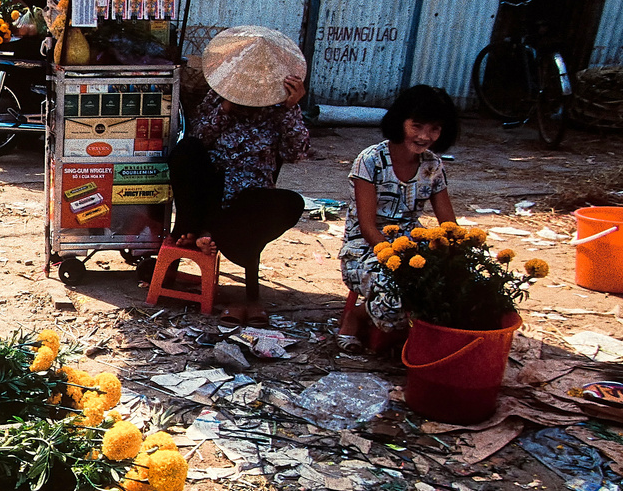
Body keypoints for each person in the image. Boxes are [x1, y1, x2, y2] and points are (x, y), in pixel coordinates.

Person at [169, 26, 311, 322]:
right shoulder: (218, 97)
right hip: (211, 190)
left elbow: (297, 152)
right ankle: (196, 229)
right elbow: (199, 137)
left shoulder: (280, 108)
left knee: (291, 202)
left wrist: (291, 108)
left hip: (250, 199)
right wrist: (226, 107)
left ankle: (211, 233)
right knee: (186, 152)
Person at [339, 85, 460, 335]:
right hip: (366, 246)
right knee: (397, 293)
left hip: (412, 243)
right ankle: (356, 317)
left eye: (434, 129)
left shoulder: (433, 165)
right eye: (417, 126)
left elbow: (449, 224)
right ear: (400, 121)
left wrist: (456, 255)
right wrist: (396, 261)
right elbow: (367, 227)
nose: (425, 136)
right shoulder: (370, 160)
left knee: (458, 285)